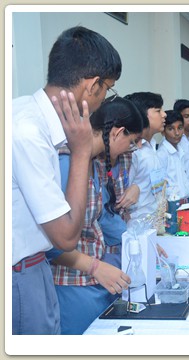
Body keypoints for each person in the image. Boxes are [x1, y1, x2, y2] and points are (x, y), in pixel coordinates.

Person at [12, 26, 121, 335]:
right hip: (20, 274)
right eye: (107, 89)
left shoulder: (27, 115)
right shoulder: (28, 132)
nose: (104, 99)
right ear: (92, 86)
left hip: (34, 269)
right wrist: (82, 152)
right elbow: (65, 237)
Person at [50, 97, 144, 335]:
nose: (130, 149)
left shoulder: (95, 163)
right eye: (131, 142)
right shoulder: (65, 164)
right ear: (117, 132)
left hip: (95, 277)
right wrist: (94, 267)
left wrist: (137, 240)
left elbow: (100, 216)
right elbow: (50, 242)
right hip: (72, 283)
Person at [124, 92, 167, 221]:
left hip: (156, 220)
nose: (164, 115)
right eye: (158, 111)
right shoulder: (132, 151)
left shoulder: (153, 146)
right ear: (141, 115)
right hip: (137, 224)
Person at [157, 110, 189, 233]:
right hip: (172, 207)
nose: (177, 133)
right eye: (171, 129)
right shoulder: (162, 153)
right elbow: (160, 187)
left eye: (180, 128)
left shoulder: (180, 150)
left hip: (185, 203)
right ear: (163, 131)